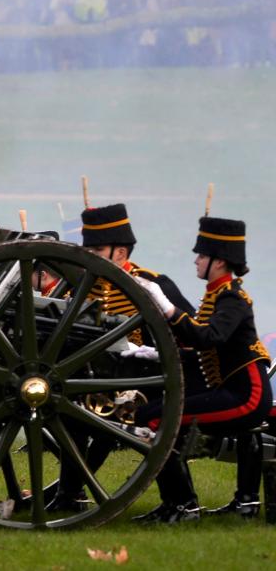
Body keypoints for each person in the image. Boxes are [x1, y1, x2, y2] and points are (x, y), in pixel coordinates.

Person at [49, 203, 195, 512]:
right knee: (71, 416)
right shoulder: (81, 286)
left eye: (98, 249)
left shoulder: (152, 283)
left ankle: (182, 501)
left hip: (149, 381)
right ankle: (69, 495)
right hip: (93, 380)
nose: (90, 255)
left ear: (121, 252)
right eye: (87, 248)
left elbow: (190, 334)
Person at [133, 216, 271, 523]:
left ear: (219, 262)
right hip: (234, 392)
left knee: (156, 417)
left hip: (246, 396)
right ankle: (235, 504)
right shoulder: (217, 295)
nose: (196, 260)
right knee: (157, 414)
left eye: (203, 256)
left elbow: (210, 337)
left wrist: (167, 307)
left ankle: (182, 505)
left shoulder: (233, 298)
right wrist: (151, 352)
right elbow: (202, 345)